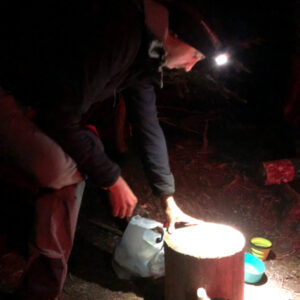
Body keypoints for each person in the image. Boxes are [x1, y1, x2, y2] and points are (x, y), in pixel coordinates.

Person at [0, 0, 220, 298]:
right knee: (65, 168)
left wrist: (168, 198)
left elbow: (147, 125)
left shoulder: (145, 56)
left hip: (45, 106)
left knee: (79, 161)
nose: (192, 66)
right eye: (195, 55)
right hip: (12, 91)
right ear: (175, 36)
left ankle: (43, 285)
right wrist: (111, 178)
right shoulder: (120, 34)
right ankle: (40, 289)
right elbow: (61, 115)